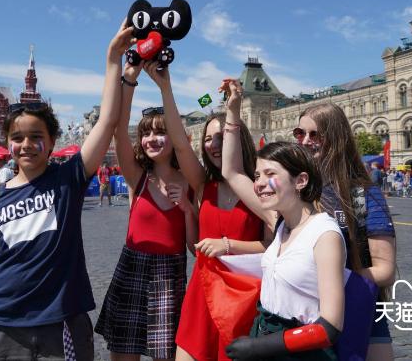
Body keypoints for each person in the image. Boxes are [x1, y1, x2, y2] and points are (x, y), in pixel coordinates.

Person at [0, 20, 132, 361]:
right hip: (0, 329)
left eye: (36, 137)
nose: (26, 145)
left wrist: (112, 59)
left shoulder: (66, 180)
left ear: (52, 142)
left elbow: (107, 121)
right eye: (17, 138)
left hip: (61, 326)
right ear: (6, 144)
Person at [142, 72, 270, 361]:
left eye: (222, 137)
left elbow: (273, 249)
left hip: (244, 298)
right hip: (202, 294)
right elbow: (181, 143)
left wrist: (227, 245)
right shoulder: (202, 185)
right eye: (208, 139)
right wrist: (165, 87)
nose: (213, 144)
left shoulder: (259, 190)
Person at [95, 60, 198, 361]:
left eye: (160, 132)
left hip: (171, 273)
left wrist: (189, 210)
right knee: (124, 355)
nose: (151, 139)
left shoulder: (192, 181)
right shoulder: (136, 176)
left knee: (166, 355)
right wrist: (130, 81)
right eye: (146, 133)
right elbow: (117, 133)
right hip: (132, 269)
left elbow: (194, 247)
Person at [223, 139, 345, 361]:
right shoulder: (280, 223)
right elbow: (231, 173)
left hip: (303, 352)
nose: (258, 183)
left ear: (300, 180)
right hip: (264, 341)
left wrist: (260, 347)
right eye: (257, 175)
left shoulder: (325, 235)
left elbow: (330, 327)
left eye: (270, 174)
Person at [297, 103, 396, 360]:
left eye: (314, 134)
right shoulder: (295, 190)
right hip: (304, 312)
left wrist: (334, 285)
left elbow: (385, 270)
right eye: (300, 133)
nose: (305, 141)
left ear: (336, 137)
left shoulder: (360, 193)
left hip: (359, 309)